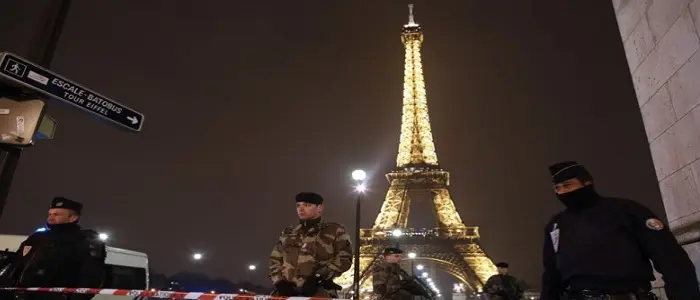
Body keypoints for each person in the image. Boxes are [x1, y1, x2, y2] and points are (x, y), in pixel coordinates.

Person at [540, 161, 700, 300]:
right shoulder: (556, 226)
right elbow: (551, 278)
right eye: (557, 188)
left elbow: (672, 260)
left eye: (568, 185)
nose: (562, 192)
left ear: (587, 182)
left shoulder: (627, 211)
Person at [0, 197, 106, 300]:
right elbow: (16, 264)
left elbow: (91, 278)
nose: (50, 218)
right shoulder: (36, 238)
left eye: (56, 214)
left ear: (73, 217)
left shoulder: (85, 241)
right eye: (50, 214)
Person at [268, 192, 353, 297]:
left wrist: (318, 277)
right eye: (298, 205)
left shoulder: (334, 230)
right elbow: (274, 260)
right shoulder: (288, 232)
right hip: (287, 291)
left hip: (319, 291)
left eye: (307, 205)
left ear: (320, 208)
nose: (301, 209)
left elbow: (344, 258)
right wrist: (280, 282)